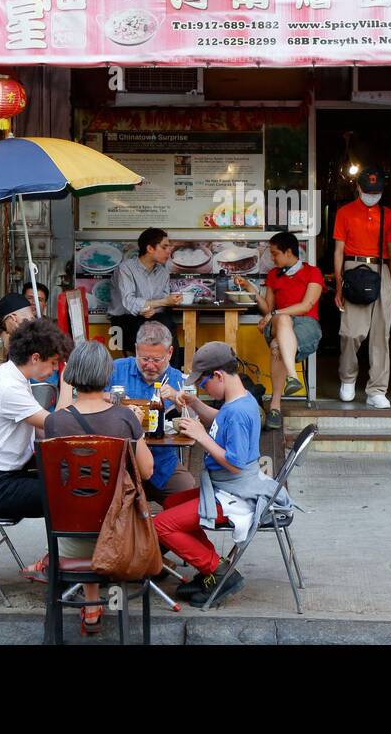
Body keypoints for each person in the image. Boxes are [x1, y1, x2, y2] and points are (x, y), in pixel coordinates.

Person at [28, 340, 156, 632]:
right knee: (111, 512)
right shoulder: (124, 418)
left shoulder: (56, 423)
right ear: (107, 375)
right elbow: (147, 471)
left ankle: (92, 607)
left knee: (86, 510)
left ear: (71, 374)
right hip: (119, 535)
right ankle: (115, 608)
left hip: (69, 538)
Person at [154, 343, 292, 608]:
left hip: (235, 492)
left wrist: (202, 437)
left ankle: (218, 572)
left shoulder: (239, 412)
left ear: (218, 375)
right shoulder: (238, 401)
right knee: (171, 504)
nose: (204, 388)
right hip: (226, 487)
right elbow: (219, 419)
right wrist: (195, 403)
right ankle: (209, 572)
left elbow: (236, 464)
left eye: (204, 383)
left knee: (162, 524)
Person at [0, 318, 76, 599]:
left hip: (0, 476)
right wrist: (68, 383)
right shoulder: (9, 387)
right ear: (35, 358)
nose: (52, 371)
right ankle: (59, 567)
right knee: (64, 493)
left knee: (64, 482)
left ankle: (61, 563)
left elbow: (43, 430)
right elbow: (55, 426)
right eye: (52, 364)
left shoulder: (12, 377)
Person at [235, 230, 324, 430]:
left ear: (289, 252)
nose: (272, 258)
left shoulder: (313, 272)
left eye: (275, 253)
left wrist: (274, 313)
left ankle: (275, 406)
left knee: (277, 343)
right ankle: (292, 377)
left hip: (306, 325)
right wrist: (251, 289)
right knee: (282, 320)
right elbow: (267, 309)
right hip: (277, 323)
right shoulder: (273, 275)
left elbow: (306, 305)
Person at [332, 168, 391, 409]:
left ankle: (377, 389)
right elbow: (338, 251)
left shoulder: (387, 214)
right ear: (358, 188)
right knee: (351, 332)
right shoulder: (344, 213)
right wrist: (338, 285)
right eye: (369, 191)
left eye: (377, 192)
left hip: (381, 270)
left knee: (381, 334)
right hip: (353, 268)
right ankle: (347, 379)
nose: (373, 195)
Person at [112, 320, 198, 505]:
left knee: (188, 492)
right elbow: (90, 398)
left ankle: (167, 531)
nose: (150, 366)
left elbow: (195, 423)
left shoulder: (180, 380)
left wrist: (178, 399)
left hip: (162, 463)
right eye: (144, 358)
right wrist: (113, 400)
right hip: (120, 463)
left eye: (156, 360)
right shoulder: (115, 370)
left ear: (169, 353)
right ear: (136, 350)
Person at [108, 227, 183, 356]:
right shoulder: (125, 269)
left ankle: (171, 373)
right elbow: (129, 302)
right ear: (150, 249)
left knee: (167, 324)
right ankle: (156, 370)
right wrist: (162, 302)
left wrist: (154, 308)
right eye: (164, 247)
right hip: (124, 323)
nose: (169, 251)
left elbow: (162, 305)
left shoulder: (163, 272)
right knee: (159, 327)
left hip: (153, 319)